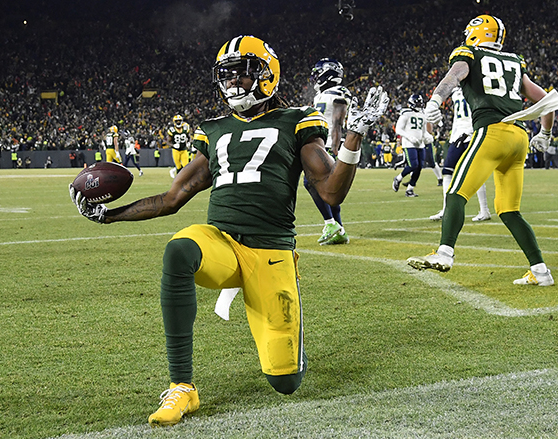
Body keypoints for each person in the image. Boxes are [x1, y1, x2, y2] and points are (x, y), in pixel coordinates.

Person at [69, 35, 388, 427]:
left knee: (285, 381)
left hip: (271, 254)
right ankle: (182, 386)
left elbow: (331, 192)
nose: (234, 82)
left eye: (243, 73)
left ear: (267, 74)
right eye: (227, 75)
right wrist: (109, 215)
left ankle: (288, 348)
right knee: (179, 250)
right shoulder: (215, 130)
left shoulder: (297, 121)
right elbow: (172, 197)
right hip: (221, 243)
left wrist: (354, 135)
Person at [407, 14, 558, 286]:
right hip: (519, 138)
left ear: (476, 33)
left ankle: (445, 252)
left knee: (456, 192)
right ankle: (541, 272)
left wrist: (435, 100)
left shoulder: (469, 53)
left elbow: (454, 75)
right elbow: (547, 101)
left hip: (492, 132)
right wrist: (545, 133)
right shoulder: (514, 61)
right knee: (509, 210)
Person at [429, 87, 491, 222]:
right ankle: (446, 209)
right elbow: (458, 118)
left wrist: (472, 131)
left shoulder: (475, 88)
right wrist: (453, 136)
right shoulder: (456, 92)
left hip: (473, 134)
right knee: (447, 171)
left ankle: (484, 210)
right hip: (458, 136)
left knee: (476, 173)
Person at [307, 58, 351, 245]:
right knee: (327, 188)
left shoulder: (339, 92)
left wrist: (334, 148)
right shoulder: (321, 95)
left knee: (311, 182)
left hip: (327, 145)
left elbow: (337, 122)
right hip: (320, 143)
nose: (316, 77)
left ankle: (331, 224)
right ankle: (338, 228)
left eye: (318, 73)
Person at [392, 94, 433, 197]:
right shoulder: (406, 114)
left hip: (420, 144)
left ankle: (410, 189)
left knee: (419, 167)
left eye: (420, 103)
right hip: (409, 143)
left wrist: (427, 136)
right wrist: (409, 137)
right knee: (413, 165)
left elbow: (423, 131)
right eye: (418, 103)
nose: (419, 106)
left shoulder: (422, 115)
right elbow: (398, 129)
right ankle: (398, 178)